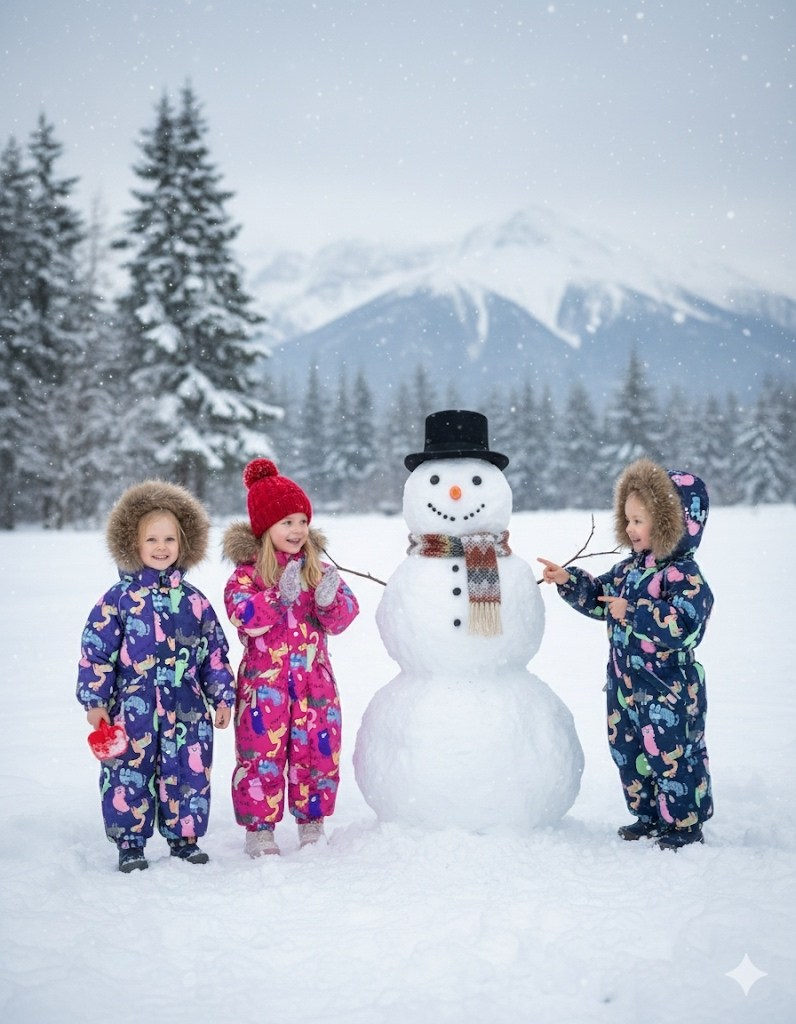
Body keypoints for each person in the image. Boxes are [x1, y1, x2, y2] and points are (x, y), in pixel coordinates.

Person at [537, 458, 714, 850]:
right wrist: (569, 580)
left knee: (671, 754)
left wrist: (633, 612)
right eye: (628, 520)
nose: (631, 529)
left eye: (640, 521)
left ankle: (683, 823)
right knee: (630, 752)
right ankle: (648, 815)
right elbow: (599, 598)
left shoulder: (683, 576)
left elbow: (685, 626)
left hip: (668, 688)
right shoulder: (627, 571)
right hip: (625, 685)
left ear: (670, 524)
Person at [76, 481, 235, 873]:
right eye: (151, 539)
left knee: (188, 772)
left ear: (183, 544)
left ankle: (184, 838)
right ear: (133, 543)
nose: (161, 547)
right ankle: (130, 843)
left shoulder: (195, 602)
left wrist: (222, 697)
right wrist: (95, 702)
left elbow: (213, 653)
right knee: (128, 775)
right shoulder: (118, 600)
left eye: (169, 539)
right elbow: (96, 653)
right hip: (133, 709)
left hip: (187, 708)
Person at [223, 458, 359, 857]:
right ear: (266, 528)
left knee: (316, 753)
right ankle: (259, 830)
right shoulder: (247, 576)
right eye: (287, 522)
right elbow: (243, 617)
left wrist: (328, 601)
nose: (298, 530)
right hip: (264, 686)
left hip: (315, 684)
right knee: (259, 756)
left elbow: (344, 617)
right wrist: (276, 598)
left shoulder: (317, 571)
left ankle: (312, 823)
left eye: (302, 521)